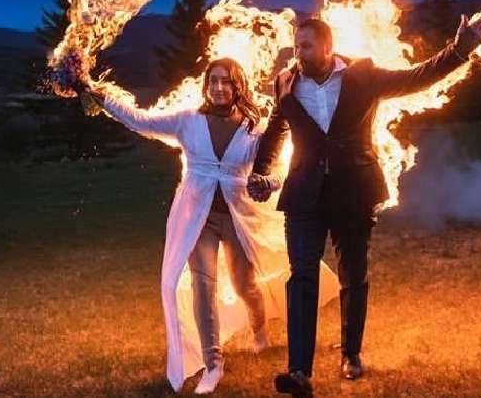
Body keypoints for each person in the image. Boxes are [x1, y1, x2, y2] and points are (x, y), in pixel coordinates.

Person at [248, 14, 481, 397]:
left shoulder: (363, 76)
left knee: (354, 274)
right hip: (304, 195)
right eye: (296, 46)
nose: (298, 53)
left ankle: (351, 354)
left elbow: (418, 77)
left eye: (306, 46)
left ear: (327, 46)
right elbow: (275, 131)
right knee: (301, 276)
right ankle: (298, 371)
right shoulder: (285, 83)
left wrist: (458, 50)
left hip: (354, 191)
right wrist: (259, 172)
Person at [82, 58, 338, 394]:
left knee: (245, 283)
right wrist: (99, 95)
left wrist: (269, 183)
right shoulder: (189, 120)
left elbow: (280, 170)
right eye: (214, 81)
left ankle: (259, 328)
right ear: (207, 85)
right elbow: (139, 120)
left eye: (226, 82)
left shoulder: (254, 128)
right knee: (202, 285)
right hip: (196, 216)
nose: (219, 87)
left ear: (238, 86)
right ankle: (213, 363)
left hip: (237, 215)